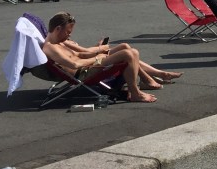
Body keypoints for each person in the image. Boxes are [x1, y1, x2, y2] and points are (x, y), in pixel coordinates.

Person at [41, 12, 182, 103]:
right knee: (129, 53)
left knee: (125, 46)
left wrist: (99, 49)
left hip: (89, 65)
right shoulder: (50, 47)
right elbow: (75, 64)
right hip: (84, 72)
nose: (69, 35)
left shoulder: (61, 42)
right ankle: (135, 92)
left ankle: (148, 79)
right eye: (67, 32)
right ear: (58, 29)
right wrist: (98, 58)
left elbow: (82, 53)